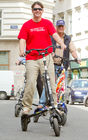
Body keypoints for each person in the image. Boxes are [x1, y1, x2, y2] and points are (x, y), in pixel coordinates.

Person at [18, 1, 66, 115]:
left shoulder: (47, 23)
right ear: (32, 11)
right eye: (35, 9)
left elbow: (54, 35)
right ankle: (26, 107)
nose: (37, 11)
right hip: (31, 58)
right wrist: (21, 51)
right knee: (30, 83)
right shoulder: (27, 25)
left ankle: (55, 105)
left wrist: (62, 44)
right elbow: (22, 39)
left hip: (46, 57)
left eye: (39, 9)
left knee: (51, 83)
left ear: (42, 11)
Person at [37, 19, 81, 108]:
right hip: (51, 64)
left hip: (63, 65)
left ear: (64, 27)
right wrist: (50, 53)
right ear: (56, 27)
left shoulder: (68, 38)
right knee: (49, 84)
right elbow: (46, 47)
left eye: (62, 26)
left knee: (62, 86)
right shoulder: (52, 37)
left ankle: (60, 103)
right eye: (59, 26)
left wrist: (76, 58)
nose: (61, 28)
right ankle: (42, 103)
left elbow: (73, 50)